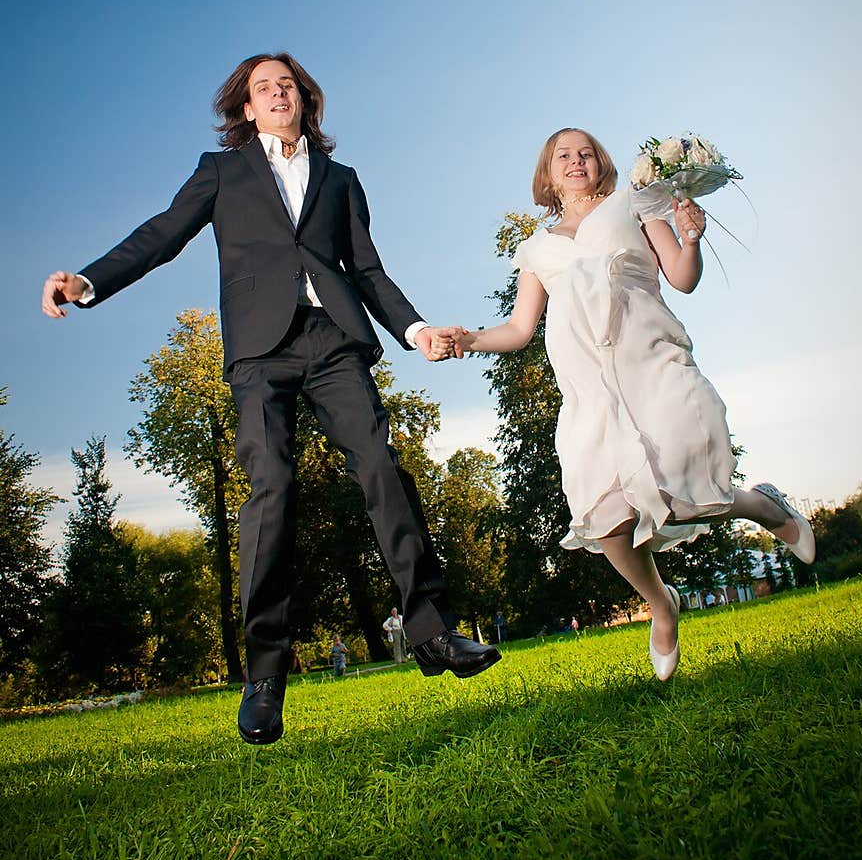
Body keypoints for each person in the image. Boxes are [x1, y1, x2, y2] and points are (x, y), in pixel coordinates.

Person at [41, 51, 500, 744]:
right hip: (260, 351)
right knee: (272, 488)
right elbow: (160, 236)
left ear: (304, 99)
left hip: (333, 341)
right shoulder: (222, 173)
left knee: (379, 464)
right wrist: (90, 281)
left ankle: (432, 632)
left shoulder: (341, 180)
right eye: (264, 87)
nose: (278, 93)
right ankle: (264, 676)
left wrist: (414, 327)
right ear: (247, 108)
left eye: (287, 84)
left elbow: (367, 271)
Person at [446, 127, 815, 682]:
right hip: (590, 390)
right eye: (562, 156)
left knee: (685, 483)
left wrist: (690, 239)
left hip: (652, 361)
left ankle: (764, 507)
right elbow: (521, 328)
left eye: (586, 153)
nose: (576, 161)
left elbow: (682, 279)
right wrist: (467, 339)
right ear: (547, 174)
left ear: (603, 164)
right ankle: (661, 605)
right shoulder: (538, 248)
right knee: (606, 519)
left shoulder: (635, 203)